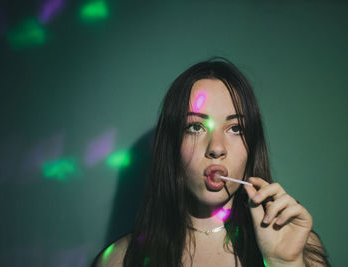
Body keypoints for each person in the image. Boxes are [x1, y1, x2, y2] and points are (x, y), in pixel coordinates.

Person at [93, 58, 330, 267]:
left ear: (252, 145)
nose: (216, 148)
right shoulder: (119, 260)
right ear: (172, 145)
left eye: (235, 128)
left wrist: (283, 264)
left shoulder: (300, 250)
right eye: (195, 127)